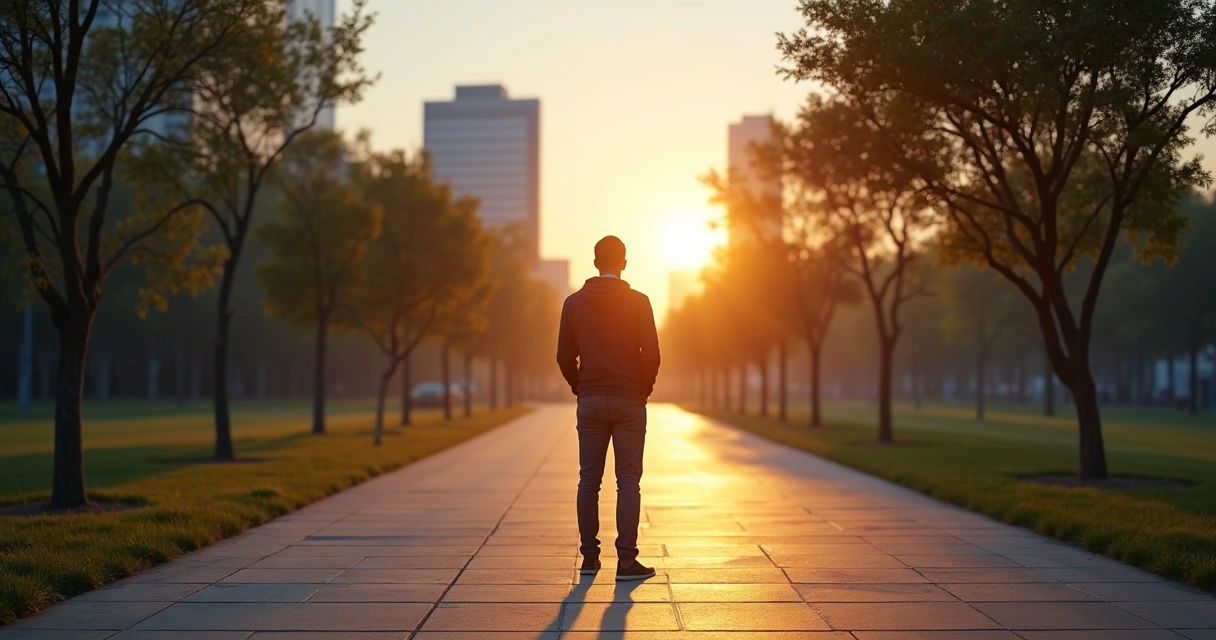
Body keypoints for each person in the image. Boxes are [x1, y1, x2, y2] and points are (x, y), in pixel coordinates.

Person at [556, 235, 661, 581]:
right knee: (627, 480)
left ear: (595, 261)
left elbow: (563, 356)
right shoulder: (639, 302)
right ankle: (627, 562)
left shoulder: (572, 304)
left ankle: (589, 558)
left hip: (590, 400)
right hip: (629, 401)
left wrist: (580, 386)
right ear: (624, 263)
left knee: (589, 480)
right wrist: (642, 389)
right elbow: (652, 355)